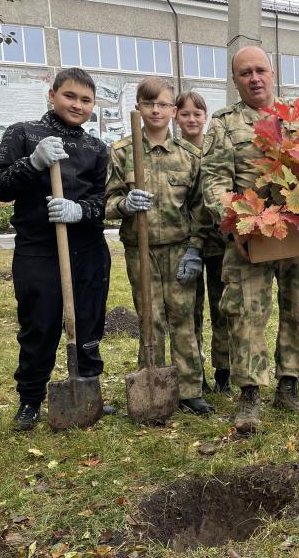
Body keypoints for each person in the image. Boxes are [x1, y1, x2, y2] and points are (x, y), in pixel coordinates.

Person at [201, 45, 299, 434]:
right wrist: (234, 220)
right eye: (245, 73)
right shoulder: (224, 124)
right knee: (246, 311)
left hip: (298, 234)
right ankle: (249, 394)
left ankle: (289, 385)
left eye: (260, 70)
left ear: (273, 73)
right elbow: (215, 180)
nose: (254, 78)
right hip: (248, 235)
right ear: (235, 80)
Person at [0, 67, 111, 431]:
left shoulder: (95, 148)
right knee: (38, 324)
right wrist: (33, 162)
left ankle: (87, 387)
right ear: (52, 94)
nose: (77, 105)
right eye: (70, 96)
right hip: (38, 248)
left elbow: (105, 201)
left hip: (86, 249)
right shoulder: (23, 134)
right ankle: (30, 399)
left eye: (86, 100)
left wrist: (80, 211)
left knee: (89, 322)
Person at [106, 77, 213, 415]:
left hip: (179, 249)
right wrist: (124, 204)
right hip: (142, 250)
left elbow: (199, 209)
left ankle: (190, 389)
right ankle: (153, 383)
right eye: (148, 103)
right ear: (138, 107)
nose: (156, 109)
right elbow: (107, 202)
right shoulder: (122, 151)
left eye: (163, 104)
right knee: (149, 317)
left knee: (183, 317)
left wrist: (195, 248)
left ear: (173, 110)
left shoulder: (188, 156)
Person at [174, 90, 231, 393]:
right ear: (176, 116)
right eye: (185, 114)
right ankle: (196, 375)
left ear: (205, 116)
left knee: (223, 309)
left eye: (197, 113)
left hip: (219, 244)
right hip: (188, 245)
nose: (192, 119)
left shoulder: (215, 148)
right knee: (191, 312)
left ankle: (224, 370)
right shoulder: (174, 152)